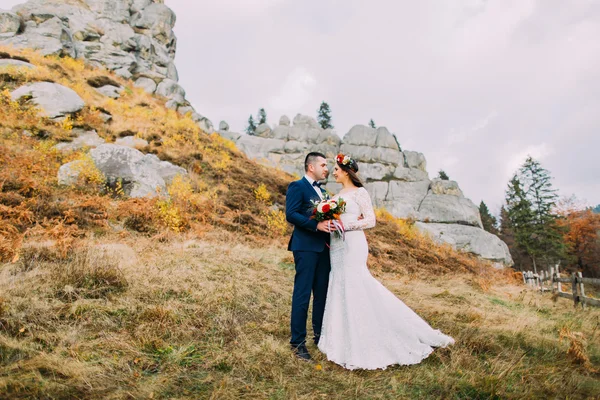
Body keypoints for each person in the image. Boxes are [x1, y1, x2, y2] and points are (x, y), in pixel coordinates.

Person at [317, 153, 455, 370]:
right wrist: (331, 223)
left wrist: (347, 226)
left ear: (345, 171)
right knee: (340, 283)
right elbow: (335, 219)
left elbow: (370, 220)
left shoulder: (360, 193)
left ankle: (372, 335)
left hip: (353, 243)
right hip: (336, 246)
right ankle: (340, 337)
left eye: (336, 168)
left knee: (357, 283)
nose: (333, 171)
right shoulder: (337, 194)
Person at [285, 152, 334, 361]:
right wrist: (316, 225)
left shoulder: (324, 192)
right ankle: (297, 343)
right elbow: (291, 213)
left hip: (324, 250)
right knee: (303, 294)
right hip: (305, 248)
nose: (326, 168)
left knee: (322, 295)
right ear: (310, 167)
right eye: (323, 165)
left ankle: (319, 337)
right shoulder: (297, 186)